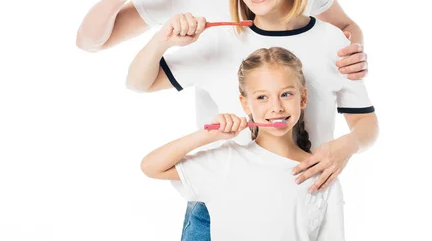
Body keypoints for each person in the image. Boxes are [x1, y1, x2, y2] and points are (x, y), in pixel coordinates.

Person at [77, 0, 369, 241]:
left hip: (305, 181)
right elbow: (90, 42)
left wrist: (355, 54)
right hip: (225, 184)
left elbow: (342, 27)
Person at [127, 0, 379, 239]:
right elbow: (138, 82)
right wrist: (163, 39)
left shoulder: (332, 42)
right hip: (217, 204)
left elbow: (367, 126)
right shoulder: (221, 39)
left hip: (303, 198)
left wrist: (345, 147)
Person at [141, 47, 345, 240]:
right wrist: (207, 135)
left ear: (302, 98)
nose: (276, 107)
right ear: (245, 104)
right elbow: (152, 167)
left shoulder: (323, 173)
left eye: (286, 94)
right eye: (262, 97)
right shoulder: (226, 160)